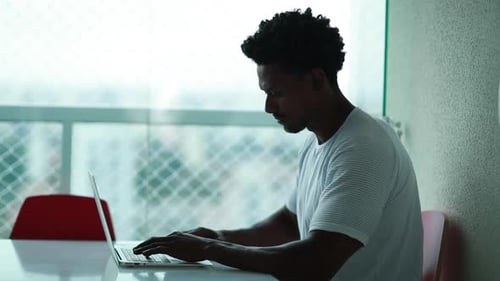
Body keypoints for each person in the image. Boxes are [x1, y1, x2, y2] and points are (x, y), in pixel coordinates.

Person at [134, 8, 423, 281]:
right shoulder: (317, 142)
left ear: (316, 80)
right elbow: (287, 225)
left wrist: (209, 250)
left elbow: (315, 264)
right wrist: (214, 237)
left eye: (276, 92)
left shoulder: (363, 147)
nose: (268, 107)